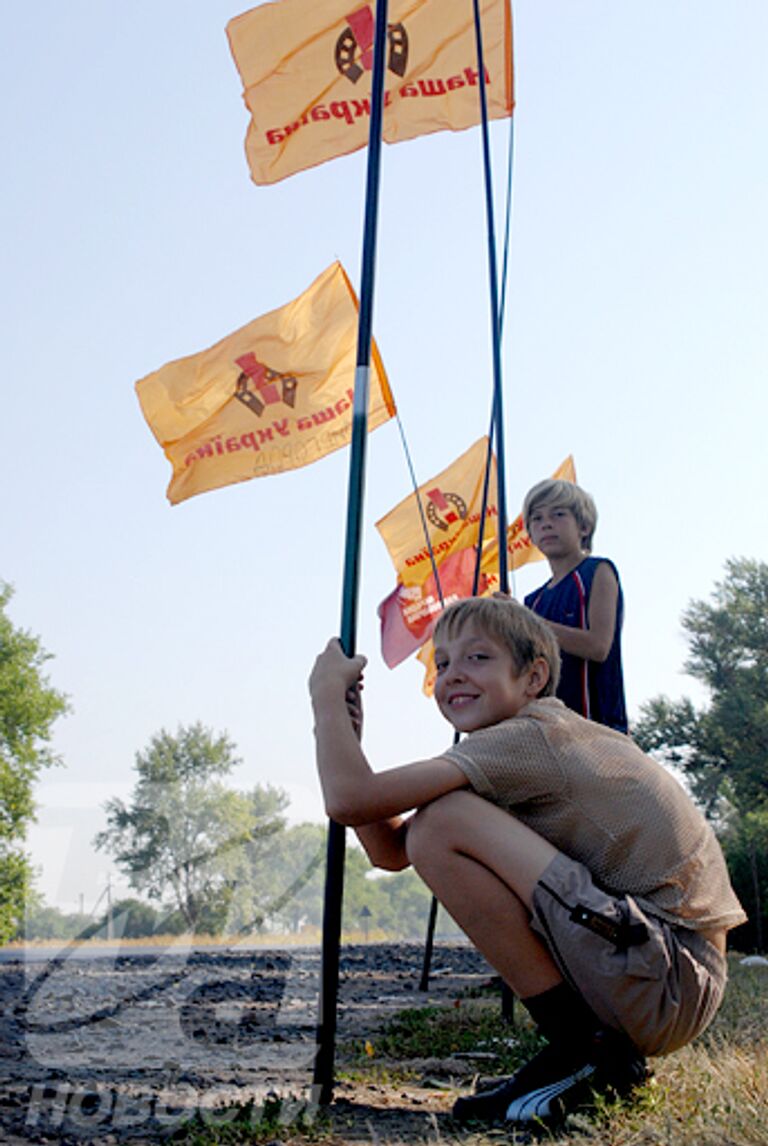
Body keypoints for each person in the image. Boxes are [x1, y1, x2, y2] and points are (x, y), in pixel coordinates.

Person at [309, 597, 746, 1129]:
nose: (453, 676)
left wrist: (326, 702)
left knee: (442, 820)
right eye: (442, 663)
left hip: (667, 976)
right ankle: (587, 1052)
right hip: (660, 971)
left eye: (477, 658)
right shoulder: (518, 745)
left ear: (534, 676)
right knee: (436, 825)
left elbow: (350, 800)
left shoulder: (531, 736)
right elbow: (393, 850)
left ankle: (584, 1052)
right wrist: (348, 740)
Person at [523, 479, 628, 732]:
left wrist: (528, 623)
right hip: (548, 730)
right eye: (536, 518)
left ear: (584, 526)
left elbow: (598, 646)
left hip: (598, 727)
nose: (546, 523)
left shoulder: (597, 571)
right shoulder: (532, 601)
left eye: (558, 514)